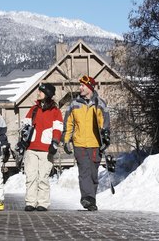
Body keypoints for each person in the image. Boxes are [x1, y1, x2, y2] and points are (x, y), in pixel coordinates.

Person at [62, 75, 110, 211]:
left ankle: (91, 199)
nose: (80, 88)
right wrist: (66, 141)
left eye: (82, 85)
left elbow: (105, 123)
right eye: (80, 85)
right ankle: (86, 198)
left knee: (93, 173)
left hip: (95, 144)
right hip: (80, 143)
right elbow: (68, 124)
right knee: (84, 170)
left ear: (89, 87)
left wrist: (106, 138)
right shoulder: (74, 104)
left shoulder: (100, 104)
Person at [21, 83, 63, 212]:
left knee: (43, 178)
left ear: (48, 94)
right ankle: (30, 202)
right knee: (30, 176)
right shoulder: (33, 109)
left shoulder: (55, 111)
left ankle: (43, 203)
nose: (38, 93)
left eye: (41, 91)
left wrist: (54, 142)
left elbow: (58, 128)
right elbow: (25, 127)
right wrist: (22, 140)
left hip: (46, 149)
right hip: (31, 148)